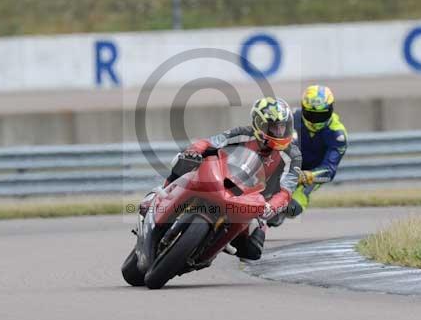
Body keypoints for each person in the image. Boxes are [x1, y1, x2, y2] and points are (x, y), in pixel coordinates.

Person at [141, 97, 302, 260]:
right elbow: (209, 142)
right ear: (259, 124)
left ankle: (214, 245)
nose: (280, 132)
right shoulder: (242, 134)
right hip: (225, 180)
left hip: (256, 201)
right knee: (186, 161)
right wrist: (194, 151)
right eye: (274, 127)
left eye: (283, 126)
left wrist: (271, 206)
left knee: (252, 252)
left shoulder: (293, 154)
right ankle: (158, 198)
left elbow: (286, 190)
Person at [267, 85, 348, 227]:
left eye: (321, 115)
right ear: (303, 109)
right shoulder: (290, 119)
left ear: (330, 109)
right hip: (285, 164)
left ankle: (278, 213)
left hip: (310, 175)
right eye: (311, 114)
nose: (316, 120)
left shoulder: (338, 134)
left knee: (294, 208)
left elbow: (329, 171)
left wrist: (306, 176)